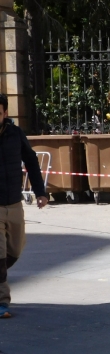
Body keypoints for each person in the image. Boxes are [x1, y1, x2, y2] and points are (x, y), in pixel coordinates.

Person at [0, 93, 49, 318]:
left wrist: (41, 192)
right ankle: (2, 303)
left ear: (5, 113)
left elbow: (30, 161)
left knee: (15, 250)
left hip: (14, 202)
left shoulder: (15, 134)